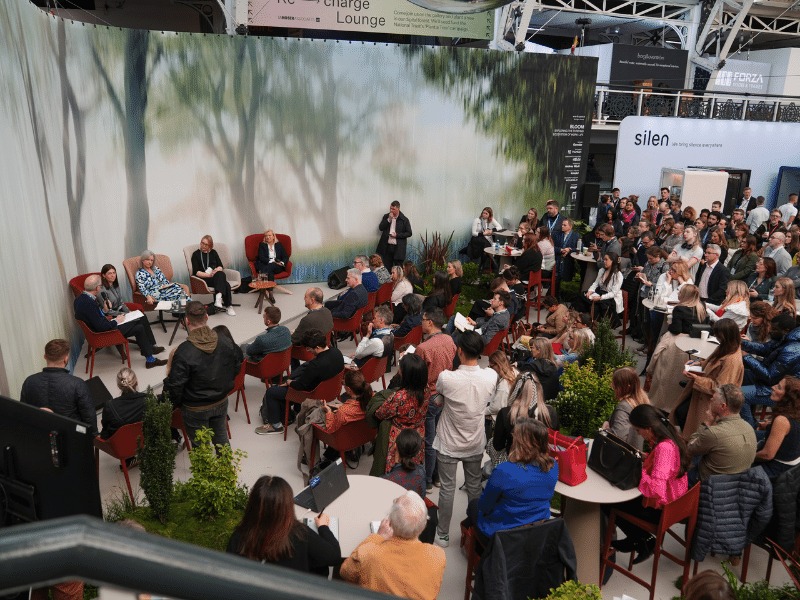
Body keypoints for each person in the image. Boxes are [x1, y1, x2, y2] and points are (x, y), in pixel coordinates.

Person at [433, 331, 497, 547]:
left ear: (459, 351)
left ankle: (442, 534)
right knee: (474, 488)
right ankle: (474, 527)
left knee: (447, 490)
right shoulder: (491, 376)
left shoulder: (446, 377)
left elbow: (439, 395)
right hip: (475, 441)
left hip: (449, 442)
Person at [606, 404, 689, 564]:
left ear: (648, 428)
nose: (638, 434)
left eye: (638, 430)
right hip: (673, 504)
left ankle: (643, 540)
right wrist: (646, 458)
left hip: (660, 510)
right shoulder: (670, 437)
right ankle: (638, 538)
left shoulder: (664, 448)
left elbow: (656, 489)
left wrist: (638, 469)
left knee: (608, 504)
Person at [466, 419, 558, 547]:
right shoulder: (553, 466)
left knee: (473, 505)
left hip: (504, 537)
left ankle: (478, 548)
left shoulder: (504, 470)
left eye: (514, 435)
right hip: (537, 531)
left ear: (520, 442)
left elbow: (485, 506)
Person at [163, 301, 242, 448]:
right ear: (207, 317)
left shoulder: (183, 351)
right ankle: (226, 470)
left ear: (187, 321)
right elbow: (238, 362)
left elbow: (175, 385)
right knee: (222, 441)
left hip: (195, 408)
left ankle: (206, 472)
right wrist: (225, 384)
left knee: (201, 448)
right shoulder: (224, 340)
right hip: (220, 400)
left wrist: (180, 403)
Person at [340, 491, 446, 600]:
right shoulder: (438, 556)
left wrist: (377, 537)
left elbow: (345, 572)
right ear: (423, 526)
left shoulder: (369, 554)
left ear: (390, 523)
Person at [227, 475, 340, 575]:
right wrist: (323, 527)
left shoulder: (238, 538)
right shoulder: (300, 534)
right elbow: (334, 557)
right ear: (287, 507)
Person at [257, 329, 344, 436]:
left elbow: (299, 386)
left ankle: (275, 426)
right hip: (331, 391)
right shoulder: (337, 352)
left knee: (271, 391)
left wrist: (289, 382)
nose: (307, 351)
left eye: (308, 348)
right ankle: (287, 416)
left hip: (311, 394)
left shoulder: (315, 365)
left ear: (317, 347)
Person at [75, 274, 167, 369]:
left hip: (100, 329)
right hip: (103, 334)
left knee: (140, 320)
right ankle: (150, 357)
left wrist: (105, 311)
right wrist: (116, 321)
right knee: (139, 325)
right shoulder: (89, 303)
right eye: (101, 286)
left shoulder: (80, 299)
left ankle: (148, 351)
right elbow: (101, 327)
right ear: (97, 288)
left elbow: (94, 317)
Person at [675, 319, 745, 437]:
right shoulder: (726, 347)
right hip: (703, 394)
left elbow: (721, 387)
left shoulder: (732, 360)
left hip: (709, 399)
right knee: (682, 413)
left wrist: (696, 378)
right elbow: (711, 362)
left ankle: (689, 446)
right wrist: (698, 364)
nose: (717, 338)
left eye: (719, 336)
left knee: (684, 416)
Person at [415, 308, 457, 491]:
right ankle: (438, 476)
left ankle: (428, 480)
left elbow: (416, 376)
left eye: (423, 319)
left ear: (430, 322)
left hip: (429, 395)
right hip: (445, 394)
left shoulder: (423, 348)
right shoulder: (449, 340)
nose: (421, 322)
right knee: (441, 437)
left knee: (429, 441)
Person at [20, 339, 96, 435]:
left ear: (45, 357)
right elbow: (89, 417)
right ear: (66, 359)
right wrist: (93, 436)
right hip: (70, 436)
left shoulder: (29, 382)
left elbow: (23, 414)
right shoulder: (77, 384)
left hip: (40, 435)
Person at [686, 384, 756, 485]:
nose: (710, 400)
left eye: (713, 399)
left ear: (723, 406)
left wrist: (707, 422)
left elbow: (690, 447)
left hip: (709, 485)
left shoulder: (714, 433)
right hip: (736, 484)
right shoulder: (749, 428)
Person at [740, 313, 800, 427]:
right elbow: (765, 348)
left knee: (740, 394)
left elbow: (769, 376)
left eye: (774, 329)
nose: (770, 331)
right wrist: (741, 343)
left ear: (786, 330)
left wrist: (746, 356)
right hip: (774, 382)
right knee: (742, 374)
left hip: (784, 392)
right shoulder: (785, 338)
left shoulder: (792, 349)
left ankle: (749, 429)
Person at [374, 353, 428, 474]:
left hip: (399, 438)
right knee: (414, 467)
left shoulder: (400, 396)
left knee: (397, 471)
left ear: (406, 374)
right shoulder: (427, 390)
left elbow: (380, 413)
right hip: (418, 435)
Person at [492, 372, 557, 458]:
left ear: (515, 389)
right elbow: (554, 441)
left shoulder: (505, 413)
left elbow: (498, 445)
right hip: (543, 464)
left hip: (513, 462)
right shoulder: (550, 412)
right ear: (539, 389)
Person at [754, 377, 800, 479]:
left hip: (777, 470)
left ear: (787, 397)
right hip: (790, 464)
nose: (773, 387)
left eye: (778, 387)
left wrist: (747, 458)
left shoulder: (782, 420)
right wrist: (769, 426)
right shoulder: (794, 412)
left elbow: (767, 455)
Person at [604, 367, 650, 450]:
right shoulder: (641, 401)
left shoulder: (624, 407)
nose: (612, 386)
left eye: (615, 384)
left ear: (625, 386)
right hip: (634, 456)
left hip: (621, 459)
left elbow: (618, 438)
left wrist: (605, 429)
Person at [191, 234, 235, 316]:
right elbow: (196, 272)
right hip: (203, 279)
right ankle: (227, 305)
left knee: (220, 274)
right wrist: (209, 275)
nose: (203, 245)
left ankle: (219, 299)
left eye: (206, 244)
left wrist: (216, 270)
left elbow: (220, 266)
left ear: (210, 246)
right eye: (202, 243)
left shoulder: (213, 252)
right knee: (225, 284)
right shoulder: (195, 254)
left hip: (215, 277)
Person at [100, 367, 147, 439]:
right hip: (144, 441)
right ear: (136, 382)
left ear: (119, 386)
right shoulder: (148, 399)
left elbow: (105, 427)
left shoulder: (109, 406)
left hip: (119, 445)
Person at [579, 252, 623, 323]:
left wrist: (600, 298)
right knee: (582, 296)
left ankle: (595, 326)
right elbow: (596, 283)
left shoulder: (618, 275)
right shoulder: (602, 270)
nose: (604, 261)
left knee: (597, 307)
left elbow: (613, 293)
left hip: (611, 297)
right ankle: (583, 320)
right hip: (601, 292)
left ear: (612, 261)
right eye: (604, 259)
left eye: (606, 260)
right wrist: (590, 291)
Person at [322, 368, 371, 433]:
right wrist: (343, 406)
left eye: (343, 383)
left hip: (344, 439)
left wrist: (328, 411)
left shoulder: (343, 412)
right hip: (364, 435)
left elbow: (330, 429)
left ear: (349, 389)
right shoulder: (374, 400)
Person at [382, 428, 426, 498]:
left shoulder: (387, 479)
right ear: (417, 452)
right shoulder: (421, 472)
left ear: (395, 446)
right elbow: (421, 498)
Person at [376, 200, 412, 268]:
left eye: (393, 209)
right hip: (387, 247)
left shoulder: (404, 219)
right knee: (386, 267)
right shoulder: (386, 216)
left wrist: (397, 235)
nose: (391, 210)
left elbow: (409, 233)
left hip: (398, 248)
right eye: (390, 208)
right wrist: (389, 219)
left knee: (398, 268)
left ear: (398, 209)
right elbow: (381, 228)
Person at [485, 350, 519, 420]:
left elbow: (496, 408)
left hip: (501, 417)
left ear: (498, 365)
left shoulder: (503, 385)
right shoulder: (515, 371)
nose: (490, 369)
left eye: (491, 366)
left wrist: (481, 412)